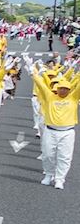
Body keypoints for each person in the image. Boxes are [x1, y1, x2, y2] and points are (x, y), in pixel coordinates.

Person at [31, 61, 77, 190]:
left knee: (64, 157)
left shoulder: (73, 98)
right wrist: (32, 71)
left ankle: (59, 179)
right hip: (50, 130)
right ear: (57, 89)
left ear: (69, 90)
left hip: (67, 132)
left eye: (66, 89)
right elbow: (40, 84)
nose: (63, 90)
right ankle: (48, 174)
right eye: (61, 88)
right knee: (47, 155)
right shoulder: (50, 96)